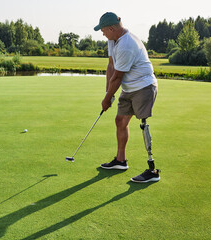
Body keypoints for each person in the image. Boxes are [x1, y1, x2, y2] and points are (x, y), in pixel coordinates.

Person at [94, 12, 160, 183]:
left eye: (103, 30)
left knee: (143, 124)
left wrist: (108, 98)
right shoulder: (113, 40)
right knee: (120, 121)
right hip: (129, 88)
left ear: (111, 28)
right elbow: (111, 65)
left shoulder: (127, 44)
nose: (102, 34)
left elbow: (118, 76)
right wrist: (107, 91)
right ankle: (120, 161)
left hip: (144, 86)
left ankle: (152, 170)